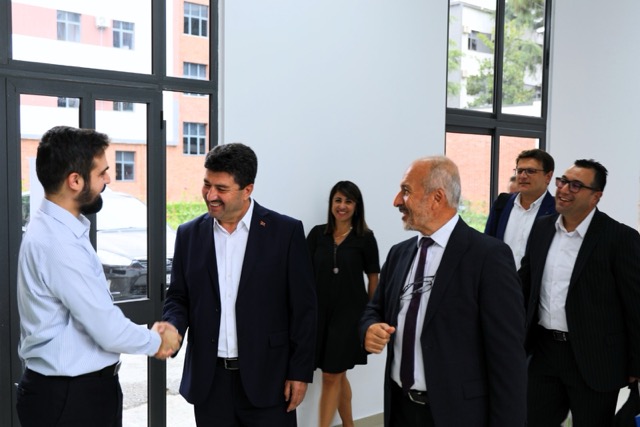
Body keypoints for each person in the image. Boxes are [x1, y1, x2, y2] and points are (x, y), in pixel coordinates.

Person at [15, 126, 181, 427]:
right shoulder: (58, 244)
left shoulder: (61, 230)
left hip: (76, 392)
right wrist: (156, 341)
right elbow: (105, 326)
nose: (109, 179)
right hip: (70, 398)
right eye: (102, 172)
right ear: (75, 181)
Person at [360, 156, 526, 427]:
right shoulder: (399, 254)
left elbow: (507, 358)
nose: (396, 201)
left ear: (436, 198)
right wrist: (369, 328)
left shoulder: (488, 257)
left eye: (406, 191)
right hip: (400, 409)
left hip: (457, 414)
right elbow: (374, 309)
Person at [162, 142, 317, 426]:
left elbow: (304, 309)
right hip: (210, 383)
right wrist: (172, 327)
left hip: (268, 379)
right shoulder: (189, 235)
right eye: (207, 185)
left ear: (247, 190)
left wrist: (300, 372)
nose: (210, 195)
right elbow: (178, 297)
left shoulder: (286, 233)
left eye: (221, 188)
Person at [519, 159, 640, 427]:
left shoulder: (619, 238)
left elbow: (635, 306)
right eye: (563, 181)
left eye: (575, 185)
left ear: (596, 196)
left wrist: (636, 365)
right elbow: (524, 285)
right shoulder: (542, 228)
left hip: (595, 358)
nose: (563, 189)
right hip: (544, 351)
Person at [306, 181, 380, 427]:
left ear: (356, 206)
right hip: (320, 314)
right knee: (337, 374)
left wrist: (373, 316)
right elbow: (303, 274)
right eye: (338, 200)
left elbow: (373, 279)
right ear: (331, 204)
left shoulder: (365, 238)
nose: (342, 206)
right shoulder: (317, 235)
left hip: (350, 316)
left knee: (331, 375)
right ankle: (349, 425)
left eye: (348, 201)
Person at [484, 148, 557, 269]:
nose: (523, 176)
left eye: (530, 171)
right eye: (520, 171)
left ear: (548, 177)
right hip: (499, 278)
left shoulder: (557, 211)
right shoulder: (502, 204)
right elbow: (487, 244)